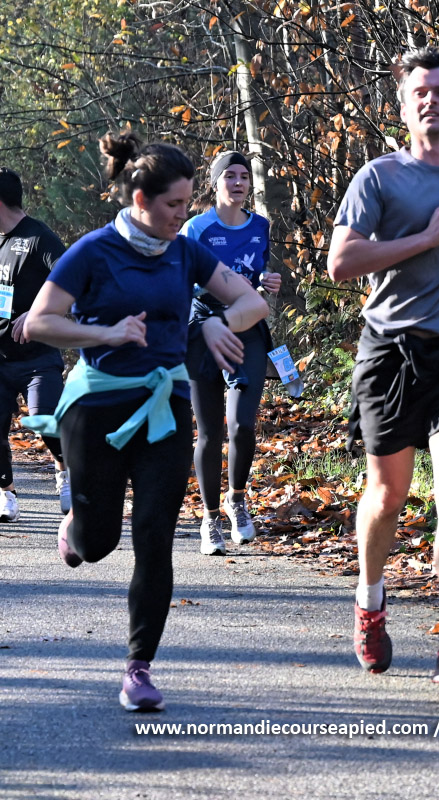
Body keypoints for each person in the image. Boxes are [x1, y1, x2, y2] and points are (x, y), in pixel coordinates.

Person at [23, 133, 268, 712]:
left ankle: (138, 668)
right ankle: (78, 527)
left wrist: (213, 323)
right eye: (173, 205)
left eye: (187, 203)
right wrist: (105, 334)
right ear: (140, 199)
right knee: (99, 541)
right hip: (98, 407)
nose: (183, 215)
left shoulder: (185, 252)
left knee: (156, 534)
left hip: (165, 406)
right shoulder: (93, 251)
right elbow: (39, 323)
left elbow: (252, 303)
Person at [327, 47, 439, 685]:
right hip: (391, 349)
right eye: (420, 93)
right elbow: (341, 263)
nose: (431, 100)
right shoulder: (378, 178)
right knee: (388, 497)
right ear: (404, 109)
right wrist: (426, 239)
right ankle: (370, 600)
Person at [180, 151, 281, 556]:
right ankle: (209, 519)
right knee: (209, 432)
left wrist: (266, 279)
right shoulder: (196, 228)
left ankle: (236, 499)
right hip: (203, 326)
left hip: (245, 324)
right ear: (215, 182)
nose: (239, 183)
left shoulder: (260, 226)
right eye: (230, 176)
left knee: (242, 425)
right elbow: (178, 279)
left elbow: (259, 270)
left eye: (244, 176)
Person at [0, 167, 70, 522]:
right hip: (1, 357)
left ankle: (65, 470)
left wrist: (37, 313)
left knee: (45, 419)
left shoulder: (39, 237)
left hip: (38, 357)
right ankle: (6, 493)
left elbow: (73, 279)